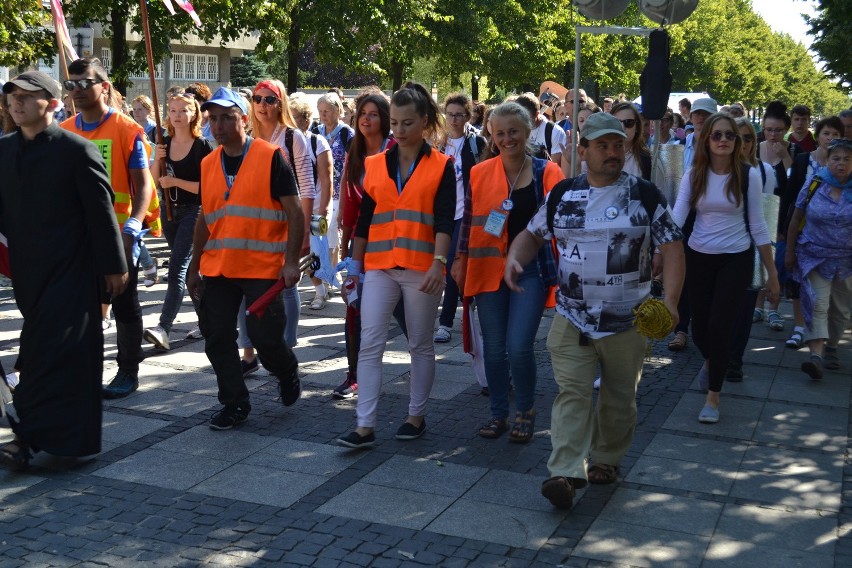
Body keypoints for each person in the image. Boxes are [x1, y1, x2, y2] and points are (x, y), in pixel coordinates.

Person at [505, 112, 684, 508]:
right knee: (572, 393)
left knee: (620, 398)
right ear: (581, 150)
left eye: (618, 144)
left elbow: (672, 247)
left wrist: (670, 302)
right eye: (602, 145)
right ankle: (565, 472)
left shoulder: (644, 195)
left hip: (628, 321)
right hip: (573, 318)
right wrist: (514, 259)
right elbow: (531, 235)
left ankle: (606, 459)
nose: (612, 152)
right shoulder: (562, 194)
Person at [0, 71, 127, 470]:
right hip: (28, 273)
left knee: (44, 355)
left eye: (26, 96)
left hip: (73, 271)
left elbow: (101, 213)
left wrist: (113, 268)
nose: (16, 103)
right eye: (12, 97)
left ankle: (27, 438)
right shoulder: (3, 151)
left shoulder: (77, 150)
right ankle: (65, 439)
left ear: (52, 102)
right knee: (55, 355)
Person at [337, 82, 454, 448]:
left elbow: (444, 220)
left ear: (424, 123)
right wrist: (354, 268)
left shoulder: (441, 165)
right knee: (370, 342)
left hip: (421, 269)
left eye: (407, 123)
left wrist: (439, 263)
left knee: (419, 344)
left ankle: (415, 416)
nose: (399, 131)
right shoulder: (374, 165)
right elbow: (364, 220)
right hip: (380, 265)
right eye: (396, 123)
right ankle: (364, 425)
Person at [186, 87, 305, 430]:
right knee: (218, 337)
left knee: (266, 339)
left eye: (226, 117)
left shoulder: (270, 156)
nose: (219, 125)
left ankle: (286, 370)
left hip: (262, 268)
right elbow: (205, 219)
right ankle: (234, 403)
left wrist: (291, 260)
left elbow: (294, 213)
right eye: (213, 119)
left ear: (242, 118)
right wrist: (194, 267)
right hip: (219, 268)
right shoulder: (208, 163)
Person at [452, 101, 563, 440]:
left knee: (518, 347)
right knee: (494, 348)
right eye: (499, 133)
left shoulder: (549, 173)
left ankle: (526, 409)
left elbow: (560, 225)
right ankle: (499, 414)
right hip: (487, 270)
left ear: (528, 131)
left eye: (513, 131)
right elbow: (470, 221)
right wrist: (459, 259)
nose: (506, 138)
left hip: (531, 271)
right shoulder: (480, 172)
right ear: (490, 134)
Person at [672, 113, 779, 423]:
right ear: (706, 139)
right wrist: (658, 252)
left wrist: (771, 274)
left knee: (721, 325)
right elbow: (677, 219)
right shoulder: (694, 175)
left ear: (737, 142)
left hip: (736, 257)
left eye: (729, 136)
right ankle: (711, 361)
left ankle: (713, 397)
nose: (723, 140)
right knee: (700, 329)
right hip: (699, 257)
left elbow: (758, 225)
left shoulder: (749, 175)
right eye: (716, 135)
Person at [60, 57, 155, 399]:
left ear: (104, 86)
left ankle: (128, 371)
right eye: (72, 84)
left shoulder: (128, 129)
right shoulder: (64, 131)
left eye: (85, 83)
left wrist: (133, 224)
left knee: (124, 303)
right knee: (81, 306)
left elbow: (143, 185)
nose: (77, 91)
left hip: (117, 234)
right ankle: (84, 371)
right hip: (76, 236)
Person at [335, 89, 407, 400]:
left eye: (373, 114)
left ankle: (421, 360)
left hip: (397, 244)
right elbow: (350, 204)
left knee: (406, 312)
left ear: (384, 119)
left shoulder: (397, 150)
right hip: (362, 245)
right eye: (362, 114)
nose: (366, 119)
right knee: (354, 309)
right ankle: (354, 376)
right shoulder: (354, 151)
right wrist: (345, 245)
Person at [236, 79, 311, 372]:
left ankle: (285, 348)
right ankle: (248, 353)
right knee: (244, 288)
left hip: (284, 225)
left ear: (281, 104)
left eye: (270, 99)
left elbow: (307, 188)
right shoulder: (246, 138)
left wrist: (303, 230)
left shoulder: (293, 138)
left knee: (286, 284)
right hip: (251, 227)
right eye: (257, 99)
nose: (263, 105)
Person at [143, 91, 213, 350]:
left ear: (194, 113)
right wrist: (158, 159)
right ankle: (208, 322)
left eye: (183, 110)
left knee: (176, 269)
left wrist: (175, 182)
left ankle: (164, 327)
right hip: (168, 212)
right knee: (189, 272)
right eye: (173, 110)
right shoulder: (163, 142)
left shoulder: (202, 146)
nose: (178, 115)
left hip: (194, 213)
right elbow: (151, 181)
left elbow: (207, 188)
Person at [770, 116, 842, 348]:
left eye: (835, 135)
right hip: (801, 230)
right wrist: (781, 229)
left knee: (828, 289)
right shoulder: (803, 160)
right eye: (826, 134)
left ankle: (823, 333)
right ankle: (800, 327)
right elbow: (790, 196)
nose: (830, 139)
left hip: (833, 237)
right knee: (797, 279)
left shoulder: (843, 165)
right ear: (818, 136)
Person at [785, 138, 851, 380]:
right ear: (827, 160)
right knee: (818, 303)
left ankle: (832, 347)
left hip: (847, 260)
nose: (841, 164)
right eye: (836, 158)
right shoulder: (815, 183)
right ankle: (816, 356)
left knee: (841, 310)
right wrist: (790, 251)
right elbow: (795, 218)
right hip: (814, 255)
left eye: (847, 159)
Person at [727, 117, 778, 380]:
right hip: (722, 250)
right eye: (738, 137)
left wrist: (769, 267)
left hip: (751, 248)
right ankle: (718, 354)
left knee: (745, 307)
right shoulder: (717, 168)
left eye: (748, 138)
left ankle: (735, 358)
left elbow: (766, 216)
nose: (743, 143)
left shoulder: (765, 171)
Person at [434, 93, 487, 343]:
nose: (454, 120)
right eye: (450, 114)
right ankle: (467, 304)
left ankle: (445, 322)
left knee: (454, 264)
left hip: (466, 214)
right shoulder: (439, 143)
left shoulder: (476, 144)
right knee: (448, 265)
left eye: (459, 115)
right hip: (442, 213)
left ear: (469, 116)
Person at [668, 96, 717, 353]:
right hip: (684, 217)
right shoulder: (678, 146)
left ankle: (706, 328)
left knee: (704, 274)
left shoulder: (719, 149)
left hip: (710, 218)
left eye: (705, 115)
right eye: (697, 114)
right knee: (682, 272)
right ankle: (681, 329)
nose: (700, 118)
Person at [611, 102, 651, 180]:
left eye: (628, 122)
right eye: (616, 122)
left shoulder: (648, 159)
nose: (622, 127)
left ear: (637, 127)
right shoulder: (600, 155)